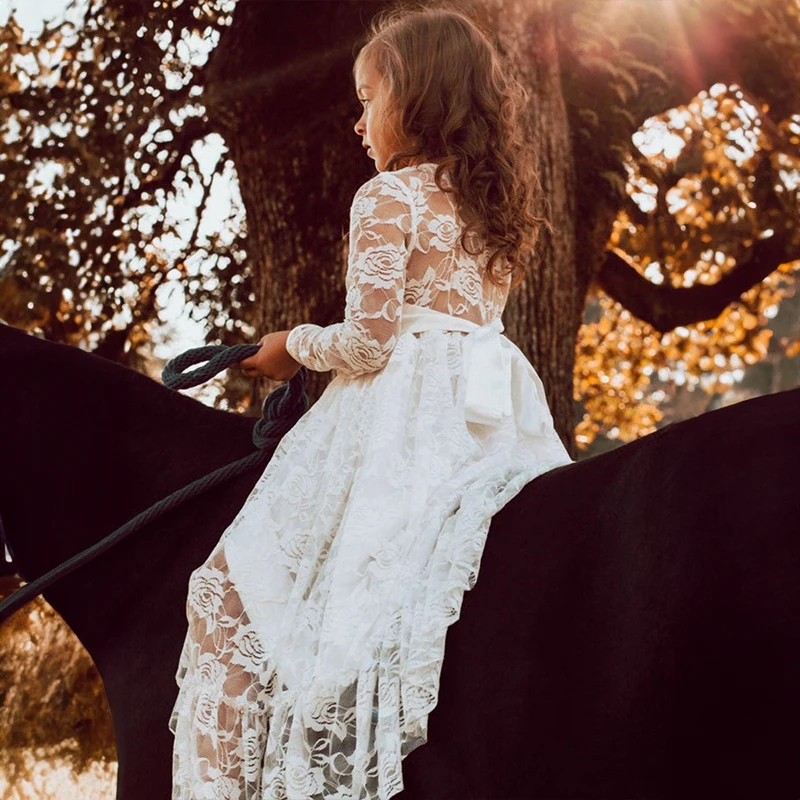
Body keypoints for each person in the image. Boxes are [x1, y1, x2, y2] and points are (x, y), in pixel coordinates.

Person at [169, 4, 574, 799]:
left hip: (395, 414)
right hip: (487, 410)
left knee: (223, 595)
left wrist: (289, 345)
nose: (359, 123)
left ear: (415, 97)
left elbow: (370, 344)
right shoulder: (494, 205)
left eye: (367, 98)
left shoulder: (387, 198)